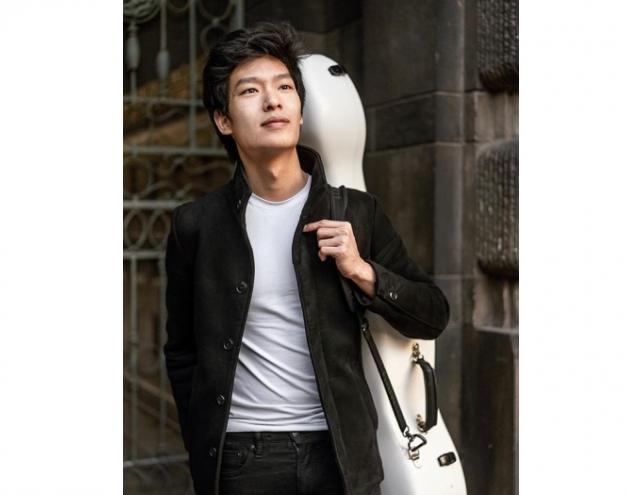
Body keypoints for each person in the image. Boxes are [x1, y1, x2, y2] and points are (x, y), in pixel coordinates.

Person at [164, 21, 450, 495]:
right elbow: (181, 350)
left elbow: (433, 315)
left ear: (299, 111)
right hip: (241, 458)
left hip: (340, 456)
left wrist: (363, 272)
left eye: (284, 88)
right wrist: (203, 437)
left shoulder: (355, 211)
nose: (272, 101)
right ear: (223, 120)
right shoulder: (196, 226)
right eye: (250, 91)